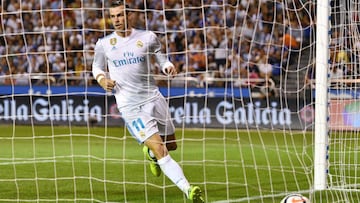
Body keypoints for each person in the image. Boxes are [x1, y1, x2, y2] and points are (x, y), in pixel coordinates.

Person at [91, 1, 204, 202]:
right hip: (130, 105)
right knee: (161, 149)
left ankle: (150, 154)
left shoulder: (147, 37)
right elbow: (97, 68)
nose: (116, 20)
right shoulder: (104, 44)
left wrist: (167, 66)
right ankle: (189, 189)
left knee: (171, 145)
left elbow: (161, 59)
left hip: (153, 97)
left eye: (120, 15)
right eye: (113, 16)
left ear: (131, 15)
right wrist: (102, 80)